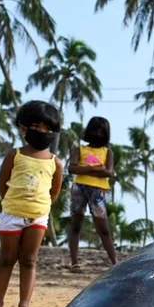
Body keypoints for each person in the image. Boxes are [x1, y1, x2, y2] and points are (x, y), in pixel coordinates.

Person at [0, 100, 64, 307]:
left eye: (48, 128)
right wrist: (12, 204)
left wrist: (41, 208)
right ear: (23, 128)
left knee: (29, 260)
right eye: (37, 126)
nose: (42, 132)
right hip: (12, 213)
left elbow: (54, 192)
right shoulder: (14, 155)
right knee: (7, 258)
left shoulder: (56, 162)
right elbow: (3, 184)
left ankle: (24, 304)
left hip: (38, 216)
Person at [67, 116, 117, 271]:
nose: (98, 134)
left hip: (98, 190)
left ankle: (115, 262)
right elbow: (71, 168)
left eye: (102, 131)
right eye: (95, 130)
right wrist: (95, 169)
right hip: (80, 188)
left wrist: (85, 168)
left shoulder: (107, 152)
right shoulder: (79, 149)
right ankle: (74, 262)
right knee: (76, 224)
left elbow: (108, 172)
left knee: (103, 227)